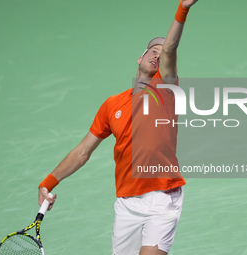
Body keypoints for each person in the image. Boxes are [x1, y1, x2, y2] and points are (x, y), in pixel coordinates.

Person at [38, 1, 199, 254]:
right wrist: (48, 182)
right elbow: (83, 152)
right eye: (151, 51)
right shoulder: (112, 105)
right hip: (126, 202)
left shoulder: (166, 89)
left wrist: (183, 8)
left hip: (162, 197)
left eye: (161, 52)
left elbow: (169, 49)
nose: (157, 54)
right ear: (140, 57)